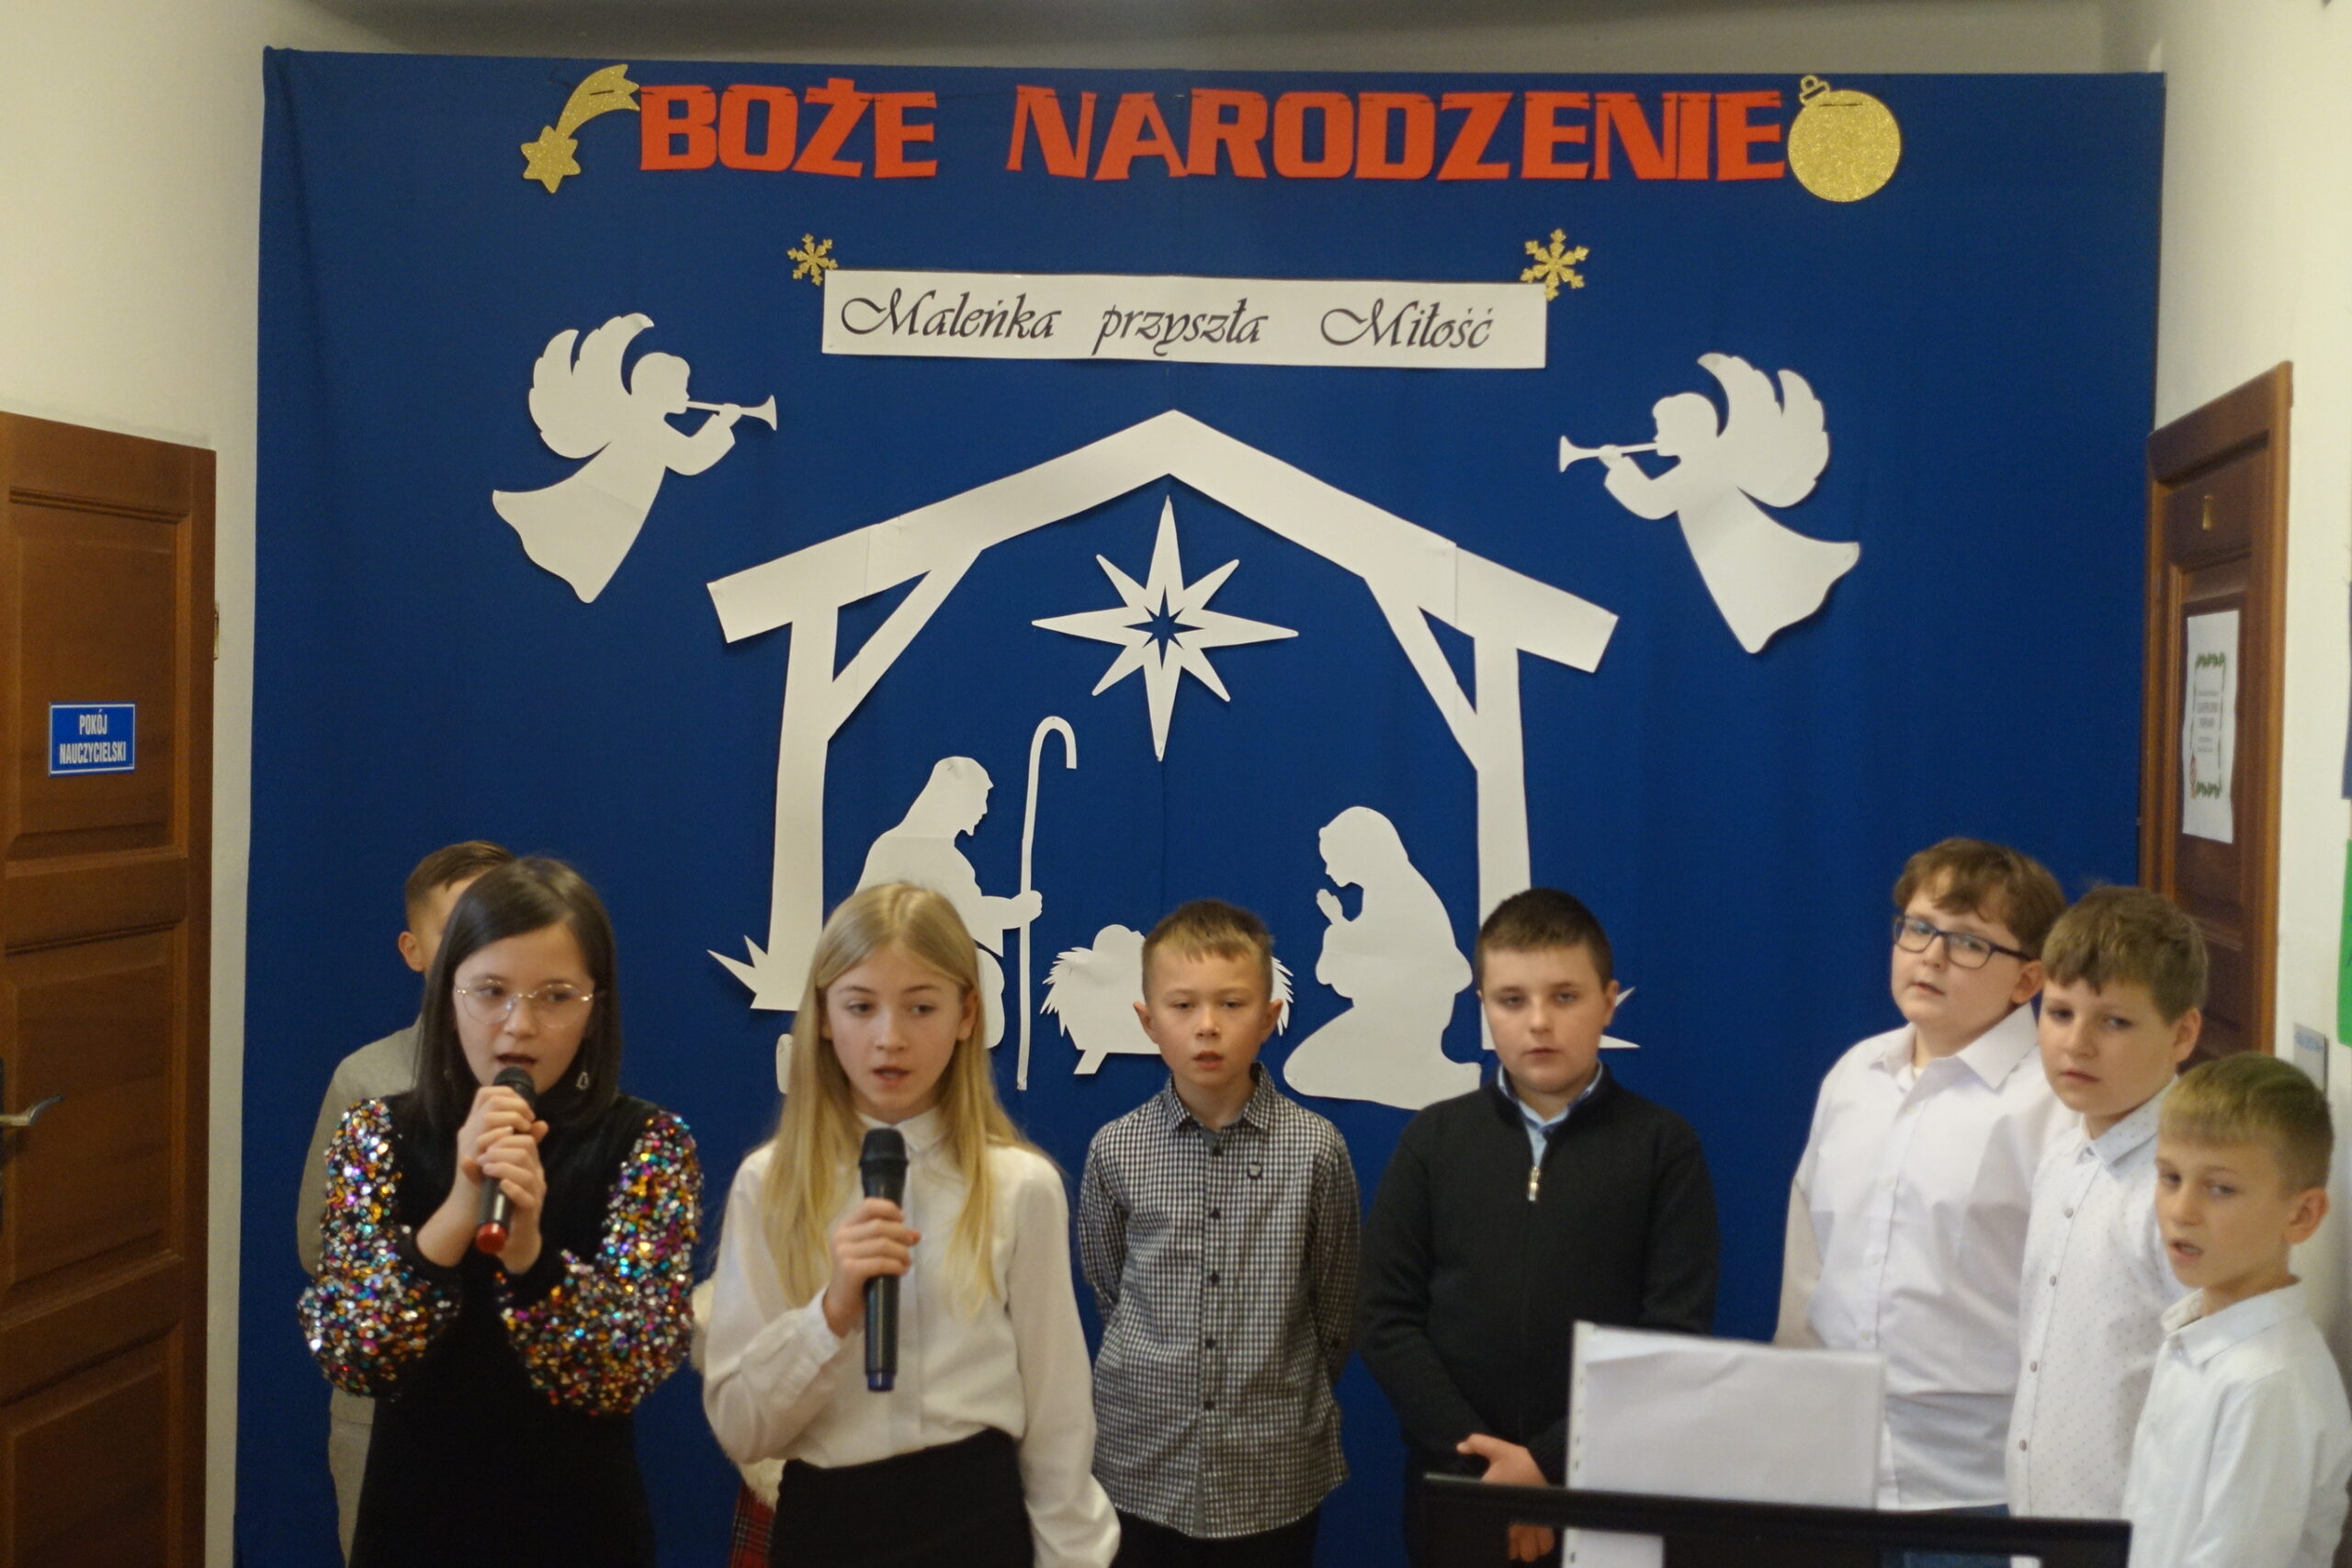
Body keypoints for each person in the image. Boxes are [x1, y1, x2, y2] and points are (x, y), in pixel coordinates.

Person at [297, 856, 700, 1567]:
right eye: (491, 991)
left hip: (579, 1523)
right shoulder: (375, 1133)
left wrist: (531, 1256)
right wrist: (455, 1214)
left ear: (595, 1006)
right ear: (447, 995)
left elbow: (627, 1370)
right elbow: (352, 1353)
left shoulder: (648, 1143)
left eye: (556, 996)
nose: (520, 1024)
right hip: (415, 1519)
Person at [701, 883, 1115, 1568]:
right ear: (824, 1016)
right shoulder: (770, 1184)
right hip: (828, 1525)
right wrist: (829, 1314)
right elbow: (743, 1428)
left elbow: (1058, 1417)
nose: (889, 1038)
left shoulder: (1019, 1185)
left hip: (974, 1520)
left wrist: (1073, 1558)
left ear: (966, 1014)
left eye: (921, 1006)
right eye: (861, 1006)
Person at [1359, 887, 1718, 1565]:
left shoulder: (1662, 1148)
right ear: (1483, 1007)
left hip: (1604, 1485)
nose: (1539, 1022)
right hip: (1459, 1483)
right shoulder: (1434, 1140)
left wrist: (1546, 1465)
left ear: (1608, 1002)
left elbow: (1672, 1335)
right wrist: (1487, 1465)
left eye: (1565, 996)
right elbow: (1385, 1318)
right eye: (1512, 1000)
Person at [1775, 839, 2065, 1563]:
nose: (1931, 956)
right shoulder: (1856, 1074)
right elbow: (1809, 1266)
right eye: (1918, 928)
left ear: (2028, 977)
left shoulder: (2052, 1105)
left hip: (1977, 1489)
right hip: (1838, 1471)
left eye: (1968, 942)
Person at [1078, 900, 1360, 1567]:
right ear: (1148, 1021)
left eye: (1232, 1004)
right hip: (1142, 1461)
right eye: (1182, 1006)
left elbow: (1336, 1309)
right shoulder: (1116, 1149)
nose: (1207, 1025)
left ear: (1268, 1017)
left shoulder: (1316, 1150)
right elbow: (1109, 1290)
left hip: (1272, 1466)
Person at [294, 838, 513, 1559]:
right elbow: (323, 1248)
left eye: (501, 924)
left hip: (520, 1407)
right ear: (414, 950)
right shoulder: (367, 1083)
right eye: (457, 931)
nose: (482, 950)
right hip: (392, 1405)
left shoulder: (559, 1081)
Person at [2007, 887, 2203, 1520]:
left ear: (2182, 1033)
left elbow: (2208, 1404)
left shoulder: (2186, 1194)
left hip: (2135, 1537)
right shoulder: (2062, 1152)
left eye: (2114, 1021)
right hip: (2040, 1527)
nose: (2077, 1043)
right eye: (2060, 1012)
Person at [2122, 1053, 2352, 1568]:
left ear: (2302, 1214)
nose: (2181, 1211)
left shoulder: (2268, 1383)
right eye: (2170, 1177)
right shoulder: (2200, 1338)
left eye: (2220, 1188)